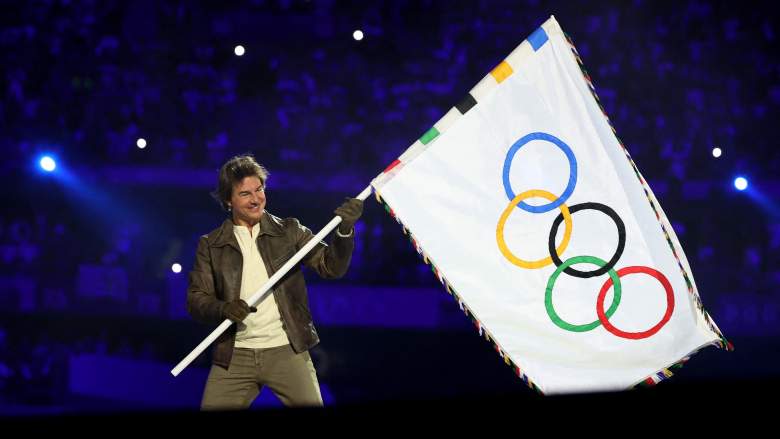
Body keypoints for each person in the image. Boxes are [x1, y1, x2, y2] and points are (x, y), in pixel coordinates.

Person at [187, 154, 362, 409]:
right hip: (235, 355)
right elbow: (196, 300)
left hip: (287, 349)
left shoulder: (289, 231)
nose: (256, 199)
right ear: (228, 200)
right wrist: (224, 309)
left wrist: (345, 231)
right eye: (245, 194)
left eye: (259, 189)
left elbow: (331, 267)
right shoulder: (211, 244)